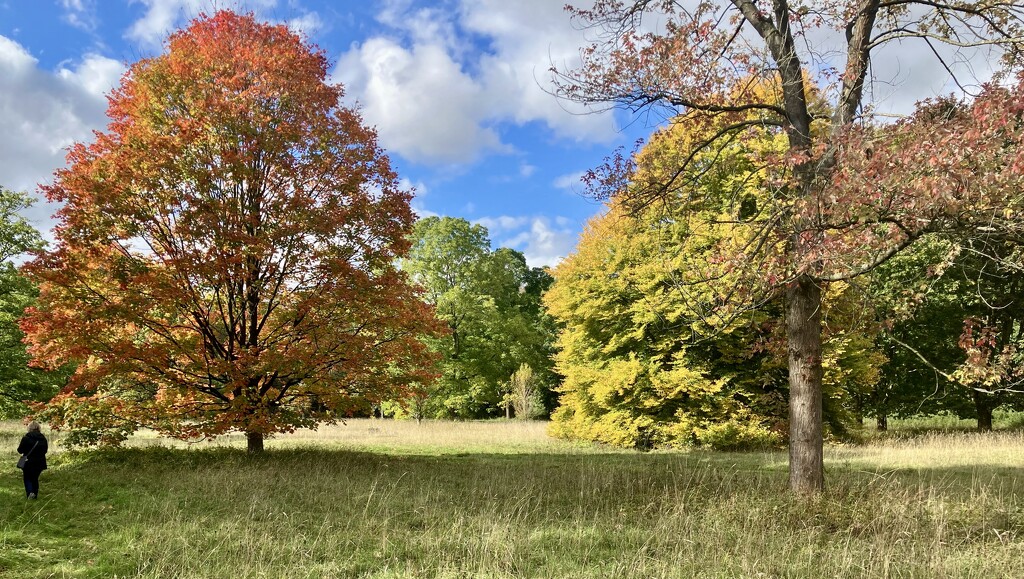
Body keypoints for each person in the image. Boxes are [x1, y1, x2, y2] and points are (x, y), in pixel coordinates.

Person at [17, 421, 48, 500]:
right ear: (38, 428)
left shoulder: (26, 438)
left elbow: (20, 450)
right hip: (40, 462)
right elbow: (45, 450)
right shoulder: (43, 438)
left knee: (27, 478)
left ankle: (30, 493)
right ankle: (35, 494)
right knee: (35, 478)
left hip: (28, 461)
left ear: (29, 428)